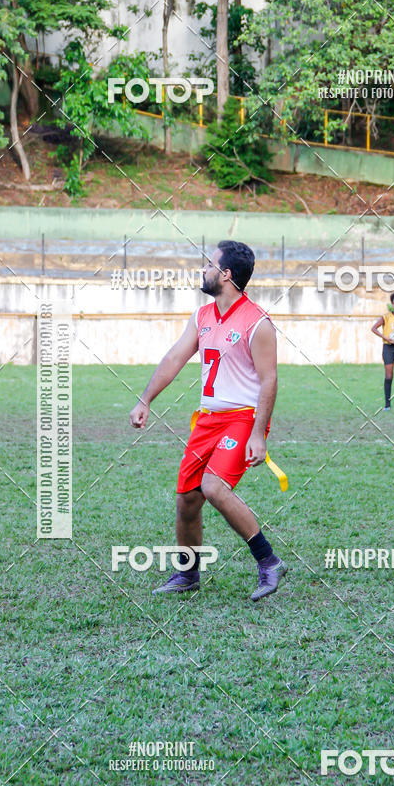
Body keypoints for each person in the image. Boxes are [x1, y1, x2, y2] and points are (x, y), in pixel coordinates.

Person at [129, 240, 286, 601]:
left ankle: (269, 561)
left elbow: (269, 380)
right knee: (187, 499)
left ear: (226, 275)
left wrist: (259, 435)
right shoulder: (202, 316)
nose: (204, 270)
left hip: (242, 418)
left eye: (209, 265)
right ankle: (187, 574)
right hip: (208, 420)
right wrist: (145, 399)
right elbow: (174, 358)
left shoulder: (258, 323)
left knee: (214, 488)